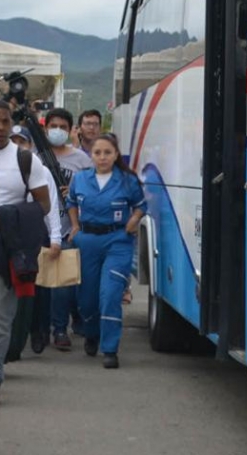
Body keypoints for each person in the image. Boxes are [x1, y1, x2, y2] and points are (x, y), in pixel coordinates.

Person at [0, 105, 50, 409]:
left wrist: (10, 217)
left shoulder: (25, 160)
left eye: (5, 122)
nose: (0, 127)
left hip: (4, 249)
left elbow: (43, 204)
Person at [65, 135, 147, 369]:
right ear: (91, 155)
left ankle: (110, 348)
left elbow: (141, 205)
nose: (102, 157)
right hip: (87, 241)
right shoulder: (80, 179)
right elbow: (71, 202)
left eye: (107, 152)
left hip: (117, 241)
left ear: (116, 154)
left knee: (110, 293)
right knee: (87, 298)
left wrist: (134, 220)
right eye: (98, 153)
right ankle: (92, 333)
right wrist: (76, 226)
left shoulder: (127, 180)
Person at [32, 109, 93, 351]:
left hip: (67, 230)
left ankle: (59, 329)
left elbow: (92, 191)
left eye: (63, 126)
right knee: (39, 285)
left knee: (61, 286)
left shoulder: (81, 159)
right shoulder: (34, 157)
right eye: (53, 125)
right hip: (39, 229)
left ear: (70, 130)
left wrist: (76, 193)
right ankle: (39, 330)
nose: (57, 130)